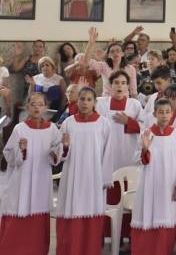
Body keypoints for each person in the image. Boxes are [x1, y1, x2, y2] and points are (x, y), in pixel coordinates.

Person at [0, 92, 62, 254]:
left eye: (40, 104)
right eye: (33, 104)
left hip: (41, 179)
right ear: (27, 108)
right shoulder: (20, 128)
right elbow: (9, 155)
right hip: (21, 179)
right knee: (18, 206)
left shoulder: (53, 129)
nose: (36, 107)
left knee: (38, 209)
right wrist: (21, 151)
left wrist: (56, 151)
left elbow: (57, 154)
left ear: (46, 108)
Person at [56, 86, 113, 255]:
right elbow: (61, 154)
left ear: (95, 102)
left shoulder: (103, 123)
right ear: (77, 101)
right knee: (71, 209)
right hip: (72, 175)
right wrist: (64, 147)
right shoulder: (68, 123)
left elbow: (108, 153)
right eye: (82, 99)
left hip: (94, 177)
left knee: (91, 212)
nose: (85, 103)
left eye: (89, 99)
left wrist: (104, 179)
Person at [130, 98, 176, 255]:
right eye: (161, 112)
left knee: (165, 218)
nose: (164, 115)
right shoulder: (146, 133)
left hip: (168, 187)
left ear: (172, 114)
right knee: (146, 216)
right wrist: (145, 149)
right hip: (148, 184)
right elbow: (135, 159)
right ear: (154, 113)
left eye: (167, 112)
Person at [96, 71, 143, 171]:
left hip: (128, 151)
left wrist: (129, 122)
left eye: (123, 83)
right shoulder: (100, 103)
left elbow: (145, 127)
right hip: (106, 150)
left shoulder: (135, 104)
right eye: (116, 83)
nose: (119, 86)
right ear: (110, 85)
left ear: (127, 86)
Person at [79, 27, 138, 97]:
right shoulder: (103, 65)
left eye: (118, 51)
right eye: (112, 51)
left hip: (124, 101)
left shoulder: (130, 68)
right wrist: (91, 43)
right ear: (109, 55)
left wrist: (136, 105)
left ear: (123, 53)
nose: (115, 53)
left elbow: (133, 90)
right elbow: (86, 62)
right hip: (106, 101)